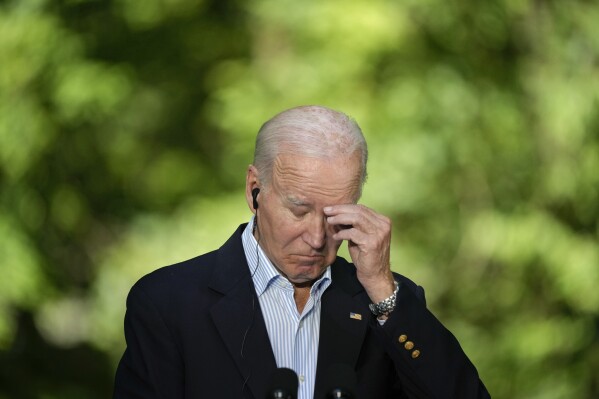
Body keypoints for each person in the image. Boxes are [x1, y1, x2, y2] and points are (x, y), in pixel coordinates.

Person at [113, 105, 490, 398]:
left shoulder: (384, 303)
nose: (316, 237)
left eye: (334, 215)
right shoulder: (167, 303)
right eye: (299, 210)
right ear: (254, 190)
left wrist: (380, 288)